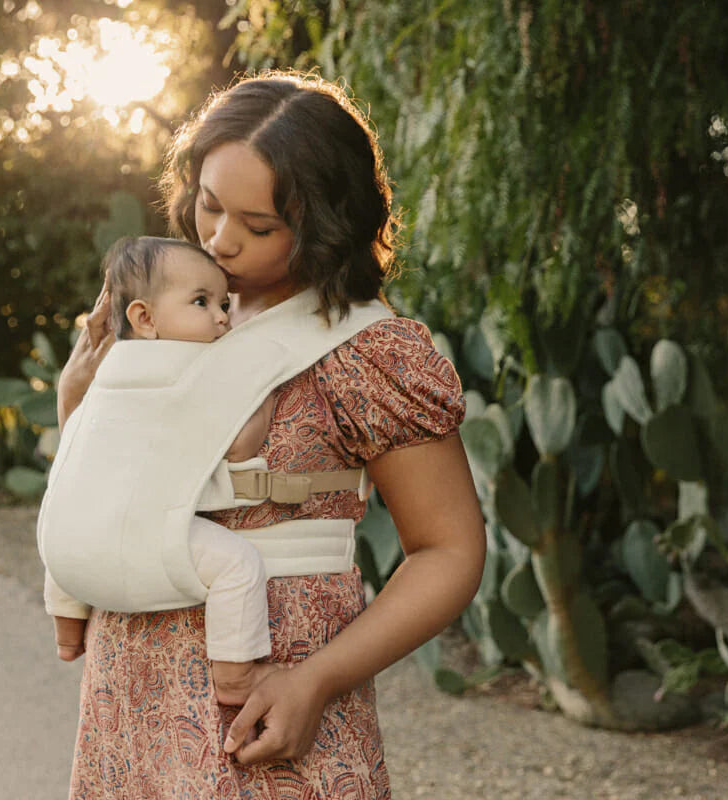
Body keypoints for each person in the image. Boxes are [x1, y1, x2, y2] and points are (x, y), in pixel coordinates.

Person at [55, 70, 485, 799]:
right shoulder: (160, 316)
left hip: (274, 705)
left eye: (259, 228)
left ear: (325, 224)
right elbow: (106, 488)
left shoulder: (364, 352)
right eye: (209, 205)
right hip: (129, 695)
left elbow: (450, 550)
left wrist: (316, 681)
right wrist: (76, 399)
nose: (220, 242)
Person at [46, 235, 279, 707]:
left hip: (65, 549)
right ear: (145, 318)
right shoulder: (197, 368)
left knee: (72, 520)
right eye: (202, 302)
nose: (221, 317)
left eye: (223, 304)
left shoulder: (104, 370)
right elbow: (239, 449)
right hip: (147, 540)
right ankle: (234, 679)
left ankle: (68, 634)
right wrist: (264, 391)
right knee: (238, 566)